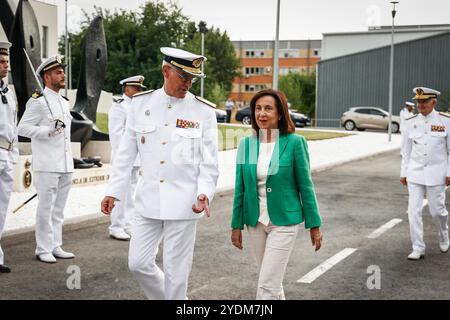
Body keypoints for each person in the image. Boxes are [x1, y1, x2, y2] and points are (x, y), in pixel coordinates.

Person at [101, 47, 219, 300]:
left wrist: (204, 193)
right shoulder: (141, 104)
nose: (188, 84)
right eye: (183, 77)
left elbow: (209, 162)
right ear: (166, 71)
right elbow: (125, 153)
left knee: (177, 272)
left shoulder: (204, 111)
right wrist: (113, 191)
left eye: (192, 79)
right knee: (138, 263)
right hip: (148, 200)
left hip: (185, 202)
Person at [230, 88, 323, 300]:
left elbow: (306, 186)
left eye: (268, 109)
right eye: (258, 109)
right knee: (270, 281)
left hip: (284, 222)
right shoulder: (247, 144)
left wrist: (314, 224)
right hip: (255, 221)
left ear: (280, 113)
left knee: (266, 284)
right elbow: (240, 188)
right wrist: (236, 225)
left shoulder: (294, 143)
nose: (261, 114)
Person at [18, 55, 75, 264]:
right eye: (58, 72)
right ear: (46, 76)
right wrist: (46, 130)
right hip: (47, 164)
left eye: (62, 71)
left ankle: (55, 245)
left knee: (59, 209)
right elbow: (21, 128)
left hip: (65, 163)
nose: (63, 75)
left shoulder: (63, 102)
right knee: (46, 208)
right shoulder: (38, 102)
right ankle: (42, 248)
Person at [400, 87, 450, 260]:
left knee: (437, 211)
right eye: (418, 101)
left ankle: (443, 235)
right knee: (413, 211)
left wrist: (449, 172)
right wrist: (403, 172)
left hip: (437, 172)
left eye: (424, 101)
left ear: (433, 102)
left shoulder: (445, 121)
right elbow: (405, 150)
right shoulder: (410, 121)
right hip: (415, 172)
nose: (420, 104)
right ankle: (418, 247)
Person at [107, 75, 146, 241]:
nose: (138, 91)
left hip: (136, 159)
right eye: (135, 88)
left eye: (139, 89)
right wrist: (125, 158)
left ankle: (128, 223)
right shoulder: (119, 107)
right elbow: (116, 136)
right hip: (123, 159)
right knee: (119, 193)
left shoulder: (138, 107)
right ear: (127, 89)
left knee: (131, 193)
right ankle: (116, 226)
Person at [0, 41, 18, 273]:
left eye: (7, 62)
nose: (6, 66)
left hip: (6, 155)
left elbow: (12, 126)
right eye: (2, 62)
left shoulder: (8, 92)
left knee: (2, 208)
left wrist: (13, 155)